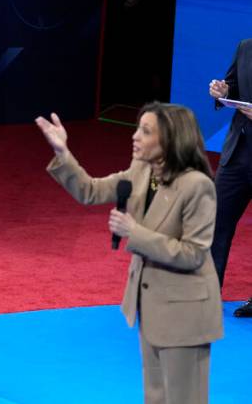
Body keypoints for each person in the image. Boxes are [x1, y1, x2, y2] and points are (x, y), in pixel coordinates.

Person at [36, 104, 222, 404]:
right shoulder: (142, 170)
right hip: (150, 306)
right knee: (155, 397)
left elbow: (193, 254)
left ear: (171, 139)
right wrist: (62, 152)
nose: (134, 137)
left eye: (145, 131)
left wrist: (133, 232)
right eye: (137, 128)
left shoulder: (197, 186)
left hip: (185, 313)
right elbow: (91, 191)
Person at [208, 40, 252, 316]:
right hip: (238, 155)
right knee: (215, 225)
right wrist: (222, 91)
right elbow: (233, 86)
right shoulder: (246, 47)